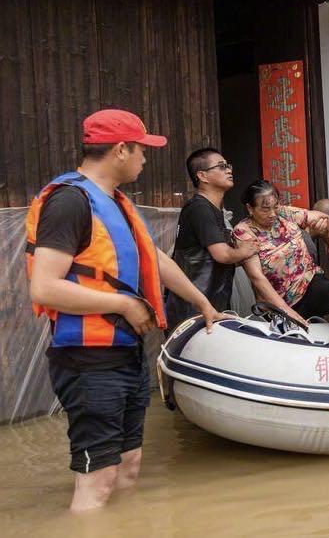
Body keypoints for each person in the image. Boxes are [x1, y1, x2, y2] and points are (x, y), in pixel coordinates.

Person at [25, 109, 228, 512]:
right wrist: (122, 303)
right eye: (141, 150)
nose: (145, 159)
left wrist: (204, 303)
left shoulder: (115, 202)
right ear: (120, 150)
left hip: (127, 351)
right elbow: (44, 287)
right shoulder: (70, 201)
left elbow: (154, 259)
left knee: (129, 465)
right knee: (97, 477)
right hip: (88, 359)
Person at [164, 148, 258, 331]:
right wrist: (245, 251)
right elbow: (222, 255)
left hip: (204, 308)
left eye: (228, 166)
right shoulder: (200, 208)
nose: (229, 170)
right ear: (203, 176)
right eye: (221, 166)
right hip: (192, 312)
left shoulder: (211, 208)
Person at [234, 180, 329, 327]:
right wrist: (286, 311)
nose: (273, 214)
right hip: (277, 300)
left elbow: (326, 219)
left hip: (310, 283)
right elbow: (257, 277)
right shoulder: (244, 231)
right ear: (250, 208)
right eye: (265, 209)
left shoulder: (285, 213)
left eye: (275, 207)